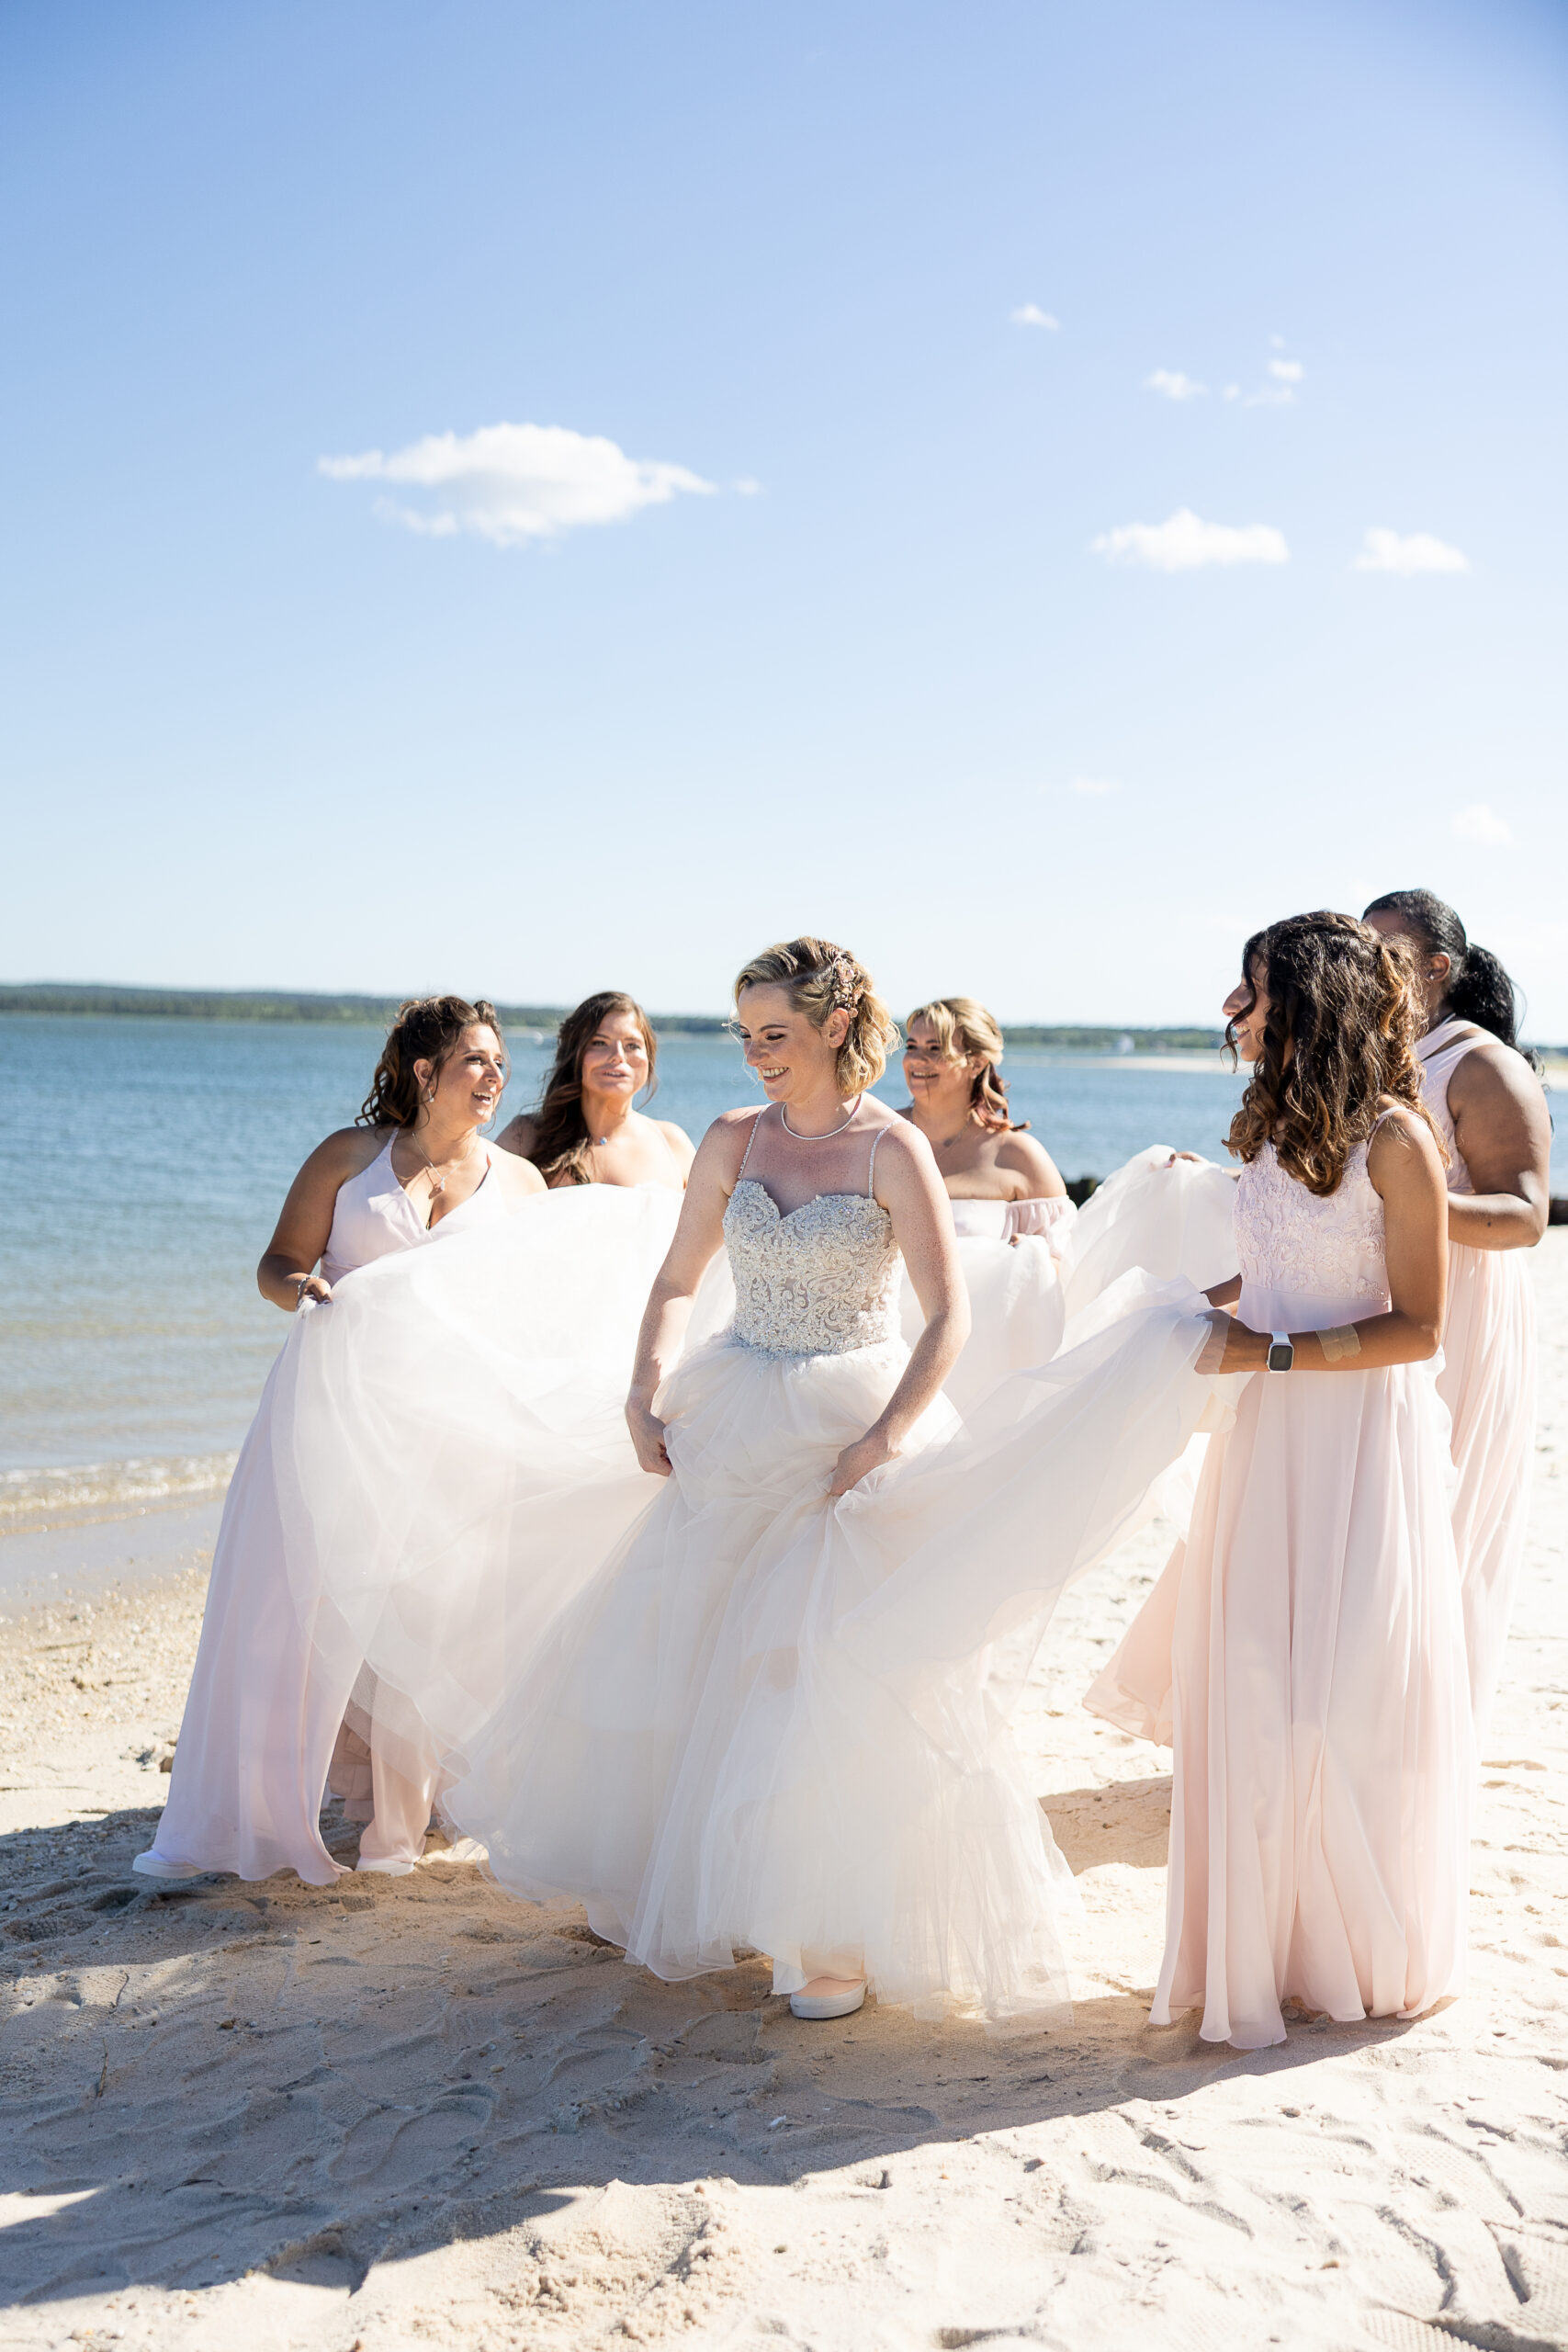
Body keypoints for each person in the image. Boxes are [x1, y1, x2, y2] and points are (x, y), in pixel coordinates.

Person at [445, 938, 1219, 2025]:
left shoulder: (891, 1149)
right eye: (748, 1035)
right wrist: (642, 1388)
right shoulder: (730, 1138)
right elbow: (678, 1280)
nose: (760, 1056)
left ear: (833, 1030)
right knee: (695, 1650)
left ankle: (830, 1931)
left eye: (778, 1035)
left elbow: (946, 1316)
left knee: (822, 1676)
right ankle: (679, 1884)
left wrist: (884, 1437)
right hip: (735, 1408)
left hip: (851, 1422)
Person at [1089, 913, 1472, 2049]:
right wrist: (1173, 1312)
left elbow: (1422, 1326)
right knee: (1254, 1684)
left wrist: (1276, 1353)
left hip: (1358, 1440)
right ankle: (1268, 1939)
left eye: (1252, 992)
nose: (1232, 1011)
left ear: (1315, 1003)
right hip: (1265, 1439)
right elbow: (1273, 1272)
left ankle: (1352, 1951)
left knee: (1347, 1688)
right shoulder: (1269, 1129)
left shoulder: (1400, 1140)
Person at [134, 997, 545, 1886]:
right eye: (476, 1060)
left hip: (456, 1429)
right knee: (296, 1604)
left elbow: (536, 1311)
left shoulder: (521, 1183)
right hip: (330, 1412)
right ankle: (250, 1811)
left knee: (427, 1611)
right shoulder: (348, 1157)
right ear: (425, 1072)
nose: (495, 1075)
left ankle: (396, 1833)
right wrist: (306, 1287)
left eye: (500, 1061)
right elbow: (275, 1264)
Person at [1361, 889, 1551, 1733]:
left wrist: (1404, 1203)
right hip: (1379, 1299)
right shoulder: (1370, 1057)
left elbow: (1525, 1216)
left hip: (1463, 1311)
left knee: (1433, 1519)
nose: (1368, 965)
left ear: (1437, 968)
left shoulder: (1478, 1065)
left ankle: (1416, 1731)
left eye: (1388, 952)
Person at [899, 998, 1067, 1239]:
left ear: (976, 1063)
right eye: (911, 1046)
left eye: (935, 1049)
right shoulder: (877, 1136)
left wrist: (1026, 1252)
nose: (916, 1059)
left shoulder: (1020, 1156)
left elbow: (1057, 1262)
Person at [497, 990, 694, 1190]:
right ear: (574, 1055)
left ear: (648, 1058)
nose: (618, 1056)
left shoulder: (673, 1144)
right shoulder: (525, 1135)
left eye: (632, 1045)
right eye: (600, 1043)